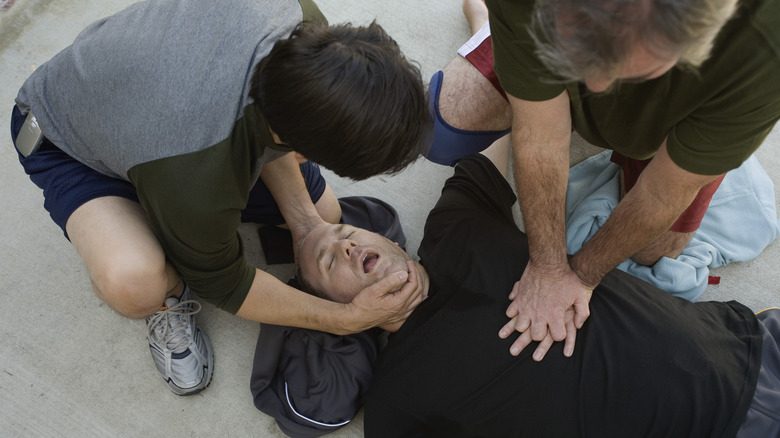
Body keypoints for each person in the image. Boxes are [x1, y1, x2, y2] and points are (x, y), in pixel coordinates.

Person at [10, 0, 429, 395]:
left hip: (148, 111)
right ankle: (166, 277)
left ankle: (193, 222)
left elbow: (262, 116)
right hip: (64, 137)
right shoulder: (195, 177)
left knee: (324, 210)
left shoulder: (302, 23)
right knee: (134, 283)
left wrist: (308, 227)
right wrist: (343, 319)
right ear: (300, 150)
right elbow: (223, 283)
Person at [296, 136, 779, 437]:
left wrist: (487, 31)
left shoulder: (451, 229)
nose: (345, 245)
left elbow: (491, 129)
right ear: (338, 312)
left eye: (345, 232)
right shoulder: (395, 398)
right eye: (327, 261)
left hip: (749, 342)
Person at [424, 0, 780, 361]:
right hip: (534, 24)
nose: (595, 85)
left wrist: (582, 276)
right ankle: (491, 26)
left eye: (625, 67)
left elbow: (660, 194)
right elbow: (544, 136)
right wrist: (548, 265)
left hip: (696, 109)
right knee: (443, 132)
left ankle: (707, 144)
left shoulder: (765, 52)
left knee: (651, 252)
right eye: (579, 50)